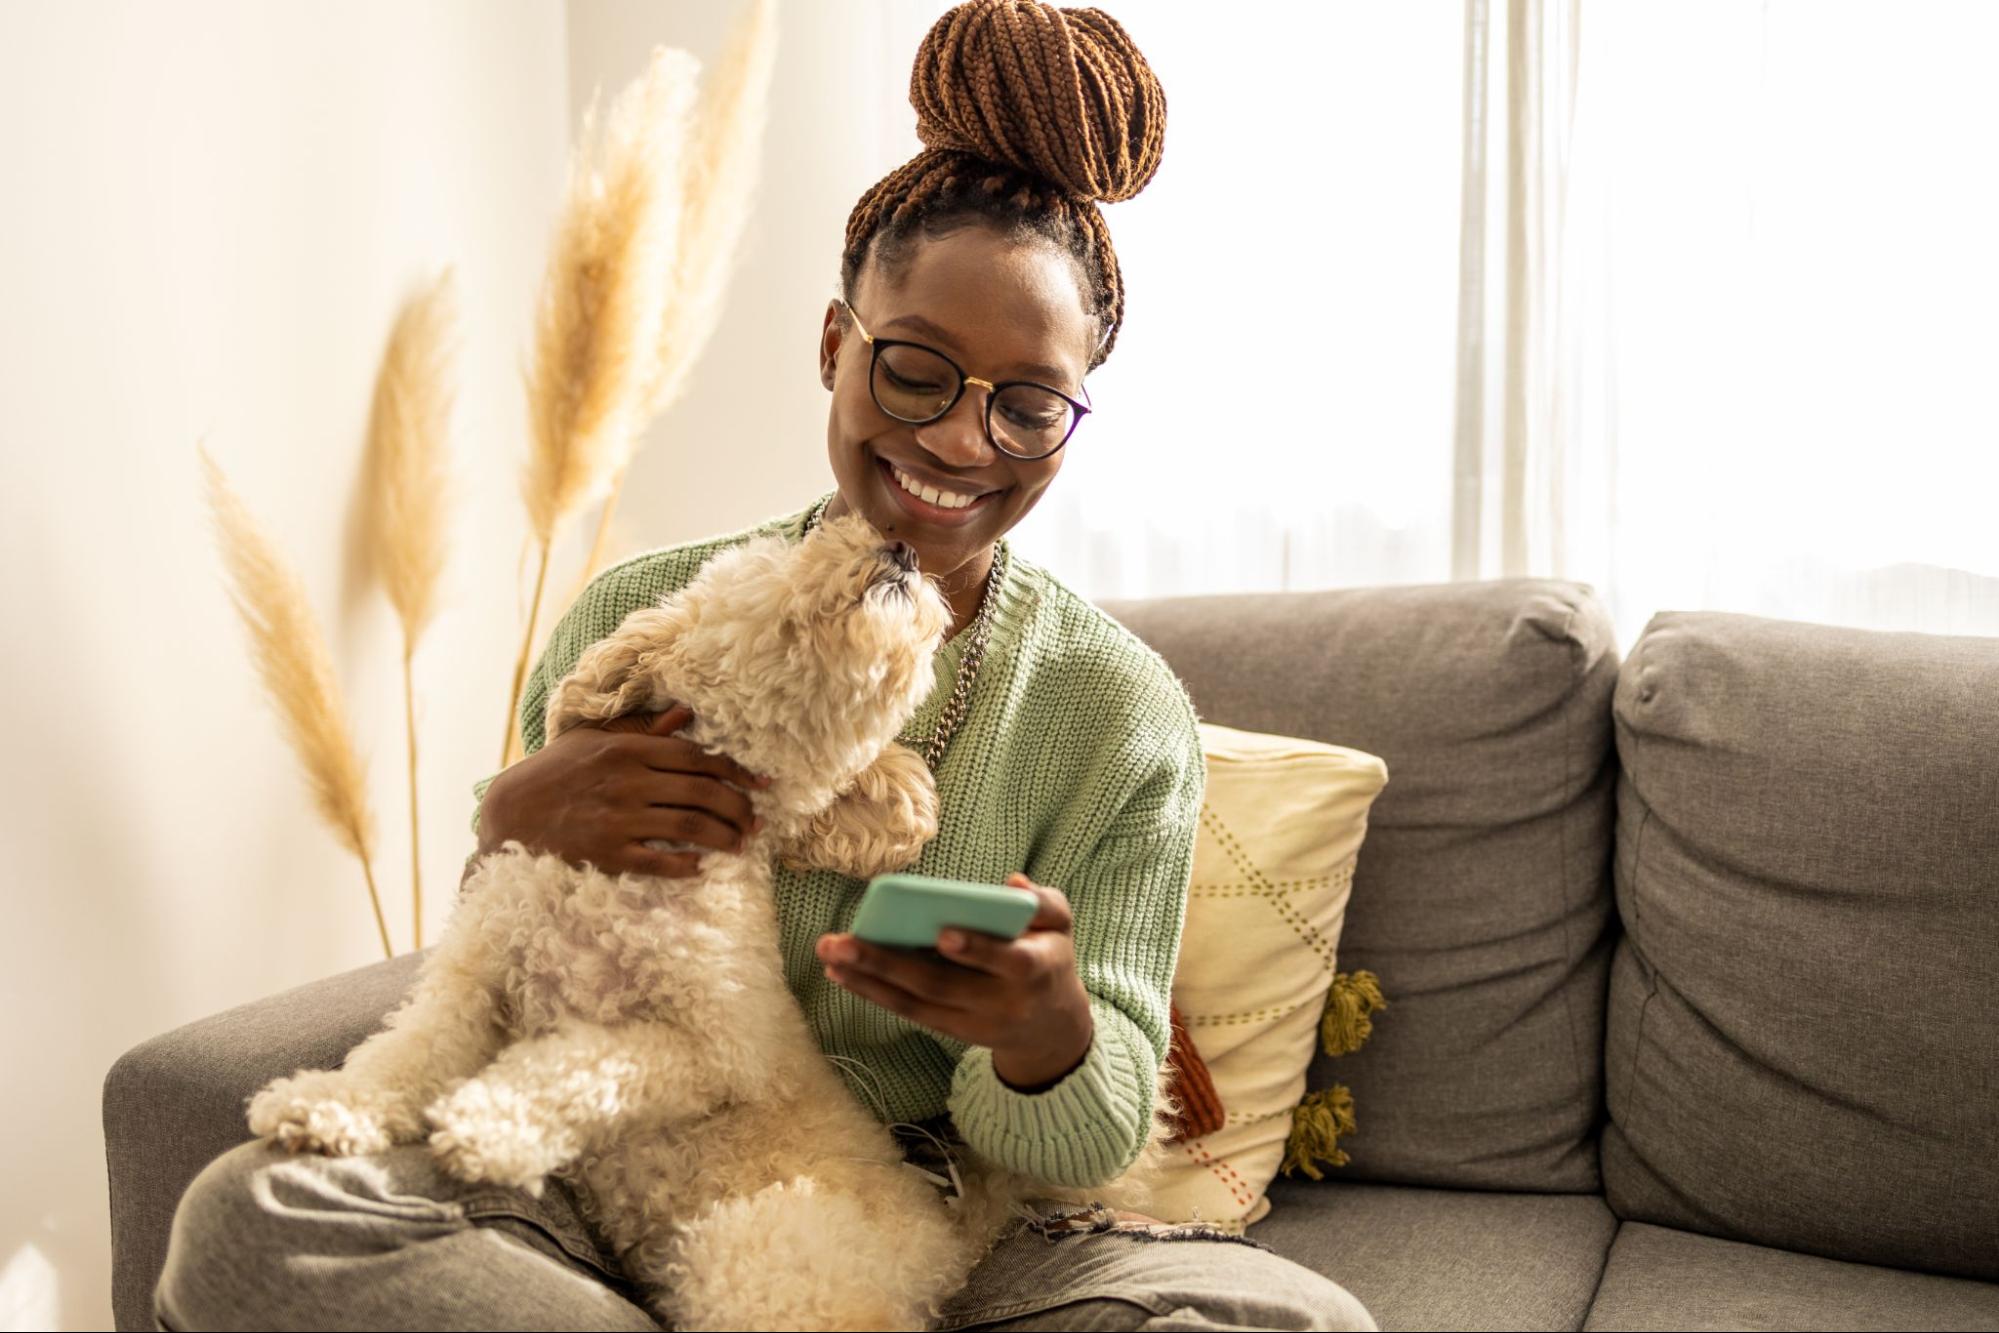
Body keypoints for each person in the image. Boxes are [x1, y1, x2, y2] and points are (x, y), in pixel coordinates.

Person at [154, 2, 1375, 1328]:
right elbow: (516, 957)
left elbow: (1081, 1140)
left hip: (925, 1215)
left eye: (1027, 401)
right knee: (252, 1214)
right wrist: (504, 819)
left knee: (1293, 1324)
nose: (962, 440)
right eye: (916, 370)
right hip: (598, 1169)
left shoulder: (1119, 713)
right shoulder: (644, 611)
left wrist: (1045, 1039)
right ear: (837, 347)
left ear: (1071, 424)